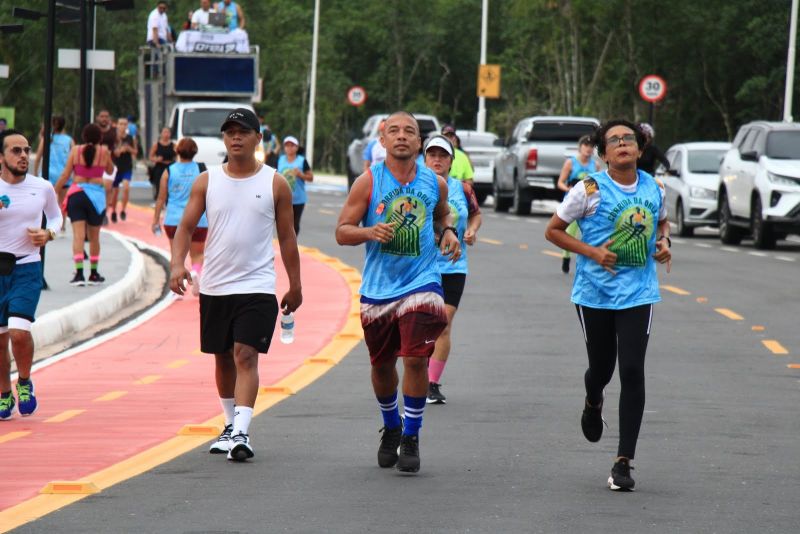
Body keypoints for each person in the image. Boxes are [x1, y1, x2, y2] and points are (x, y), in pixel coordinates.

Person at [544, 119, 672, 492]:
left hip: (639, 293)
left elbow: (662, 224)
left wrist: (665, 244)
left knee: (632, 370)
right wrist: (592, 252)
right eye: (613, 140)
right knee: (602, 368)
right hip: (594, 293)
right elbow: (552, 230)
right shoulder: (588, 189)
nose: (622, 144)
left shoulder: (653, 188)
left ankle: (623, 462)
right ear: (603, 153)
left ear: (639, 148)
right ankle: (593, 398)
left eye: (628, 139)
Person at [169, 108, 302, 462]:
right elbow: (184, 228)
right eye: (230, 132)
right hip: (215, 285)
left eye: (243, 131)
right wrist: (176, 265)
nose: (236, 137)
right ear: (224, 139)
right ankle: (229, 425)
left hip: (257, 285)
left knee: (245, 353)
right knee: (223, 357)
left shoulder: (275, 183)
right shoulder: (207, 181)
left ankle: (242, 431)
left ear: (258, 138)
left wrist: (295, 284)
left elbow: (287, 238)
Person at [335, 111, 461, 474]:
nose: (402, 136)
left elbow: (441, 216)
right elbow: (342, 231)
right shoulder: (368, 181)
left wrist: (448, 232)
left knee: (417, 359)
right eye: (395, 131)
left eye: (410, 131)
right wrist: (369, 232)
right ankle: (390, 425)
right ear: (383, 140)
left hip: (422, 282)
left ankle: (411, 435)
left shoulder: (434, 182)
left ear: (420, 142)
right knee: (381, 365)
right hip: (378, 289)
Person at [0, 130, 63, 420]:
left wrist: (48, 233)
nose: (24, 155)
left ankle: (24, 381)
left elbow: (56, 216)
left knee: (18, 332)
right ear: (2, 157)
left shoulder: (42, 187)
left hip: (26, 267)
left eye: (26, 150)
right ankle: (3, 393)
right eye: (16, 150)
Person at [422, 135, 482, 405]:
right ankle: (418, 372)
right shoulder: (416, 188)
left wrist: (471, 230)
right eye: (432, 154)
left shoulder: (463, 189)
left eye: (443, 155)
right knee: (421, 325)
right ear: (424, 159)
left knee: (443, 324)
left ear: (451, 161)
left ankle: (432, 383)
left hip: (454, 266)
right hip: (421, 267)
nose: (437, 159)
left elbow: (475, 214)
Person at [55, 124, 114, 286]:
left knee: (78, 236)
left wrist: (54, 191)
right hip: (96, 197)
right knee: (94, 237)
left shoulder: (76, 151)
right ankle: (94, 273)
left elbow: (65, 174)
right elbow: (110, 171)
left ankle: (79, 273)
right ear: (100, 138)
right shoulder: (104, 152)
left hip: (77, 195)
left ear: (84, 136)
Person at [152, 137, 207, 297]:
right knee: (197, 254)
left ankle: (177, 287)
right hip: (199, 219)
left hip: (174, 219)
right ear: (195, 152)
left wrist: (156, 219)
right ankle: (196, 272)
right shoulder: (201, 169)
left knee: (177, 256)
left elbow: (161, 198)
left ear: (177, 151)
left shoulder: (168, 171)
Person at [556, 135, 600, 274]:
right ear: (580, 147)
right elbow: (560, 182)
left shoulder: (595, 165)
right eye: (586, 146)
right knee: (570, 232)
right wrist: (569, 189)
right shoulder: (571, 163)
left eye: (591, 146)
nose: (588, 149)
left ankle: (588, 261)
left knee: (589, 233)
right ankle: (566, 257)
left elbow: (598, 185)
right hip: (573, 202)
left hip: (590, 203)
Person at [277, 136, 313, 235]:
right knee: (283, 224)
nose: (289, 148)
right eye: (287, 145)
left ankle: (292, 246)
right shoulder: (280, 160)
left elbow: (311, 177)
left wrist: (301, 175)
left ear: (296, 147)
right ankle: (284, 246)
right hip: (282, 199)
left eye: (292, 145)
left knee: (294, 225)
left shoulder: (302, 161)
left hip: (298, 199)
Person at [110, 117, 138, 223]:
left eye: (124, 124)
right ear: (117, 124)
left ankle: (123, 210)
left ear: (127, 126)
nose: (122, 126)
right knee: (115, 191)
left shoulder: (131, 138)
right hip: (115, 167)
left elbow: (135, 152)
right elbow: (112, 152)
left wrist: (128, 149)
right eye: (120, 124)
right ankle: (113, 211)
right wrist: (118, 150)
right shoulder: (113, 138)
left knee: (126, 187)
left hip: (127, 166)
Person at [35, 115, 74, 189]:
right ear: (64, 125)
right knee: (62, 201)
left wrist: (35, 173)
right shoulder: (69, 140)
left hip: (47, 175)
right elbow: (75, 160)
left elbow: (38, 158)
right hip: (64, 176)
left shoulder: (46, 138)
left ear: (52, 125)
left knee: (47, 200)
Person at [149, 127, 176, 201]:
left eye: (168, 132)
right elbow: (151, 157)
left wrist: (175, 160)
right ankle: (159, 201)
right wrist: (157, 159)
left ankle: (168, 201)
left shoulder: (173, 145)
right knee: (159, 185)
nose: (166, 134)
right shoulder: (156, 145)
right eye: (164, 132)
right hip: (159, 167)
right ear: (161, 134)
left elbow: (178, 155)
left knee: (170, 186)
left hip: (170, 167)